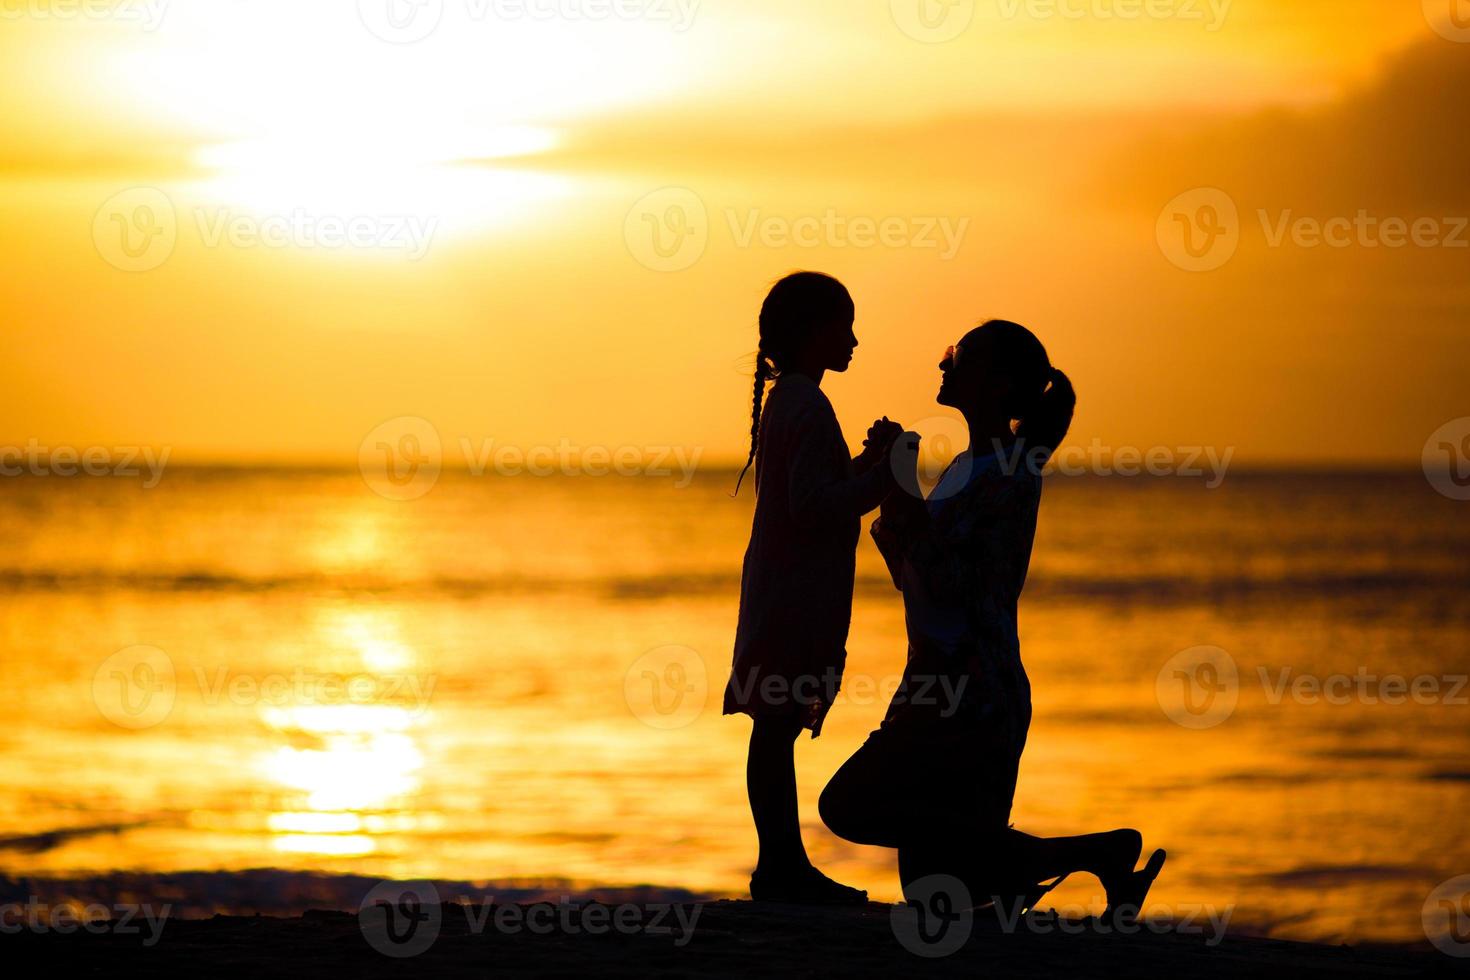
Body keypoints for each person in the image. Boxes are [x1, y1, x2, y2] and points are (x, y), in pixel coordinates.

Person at [818, 319, 1166, 919]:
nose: (943, 363)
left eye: (960, 356)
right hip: (931, 685)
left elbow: (954, 585)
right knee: (937, 897)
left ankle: (1081, 861)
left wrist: (902, 488)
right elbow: (913, 576)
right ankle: (1093, 859)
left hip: (974, 694)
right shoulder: (963, 468)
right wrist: (890, 480)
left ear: (1000, 386)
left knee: (849, 807)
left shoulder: (1012, 476)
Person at [726, 271, 901, 904]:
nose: (854, 339)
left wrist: (868, 466)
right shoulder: (804, 401)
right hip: (793, 598)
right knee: (774, 730)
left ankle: (782, 864)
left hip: (784, 591)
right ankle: (781, 867)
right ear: (810, 332)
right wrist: (886, 478)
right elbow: (814, 506)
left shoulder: (794, 400)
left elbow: (815, 494)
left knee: (775, 730)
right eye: (843, 325)